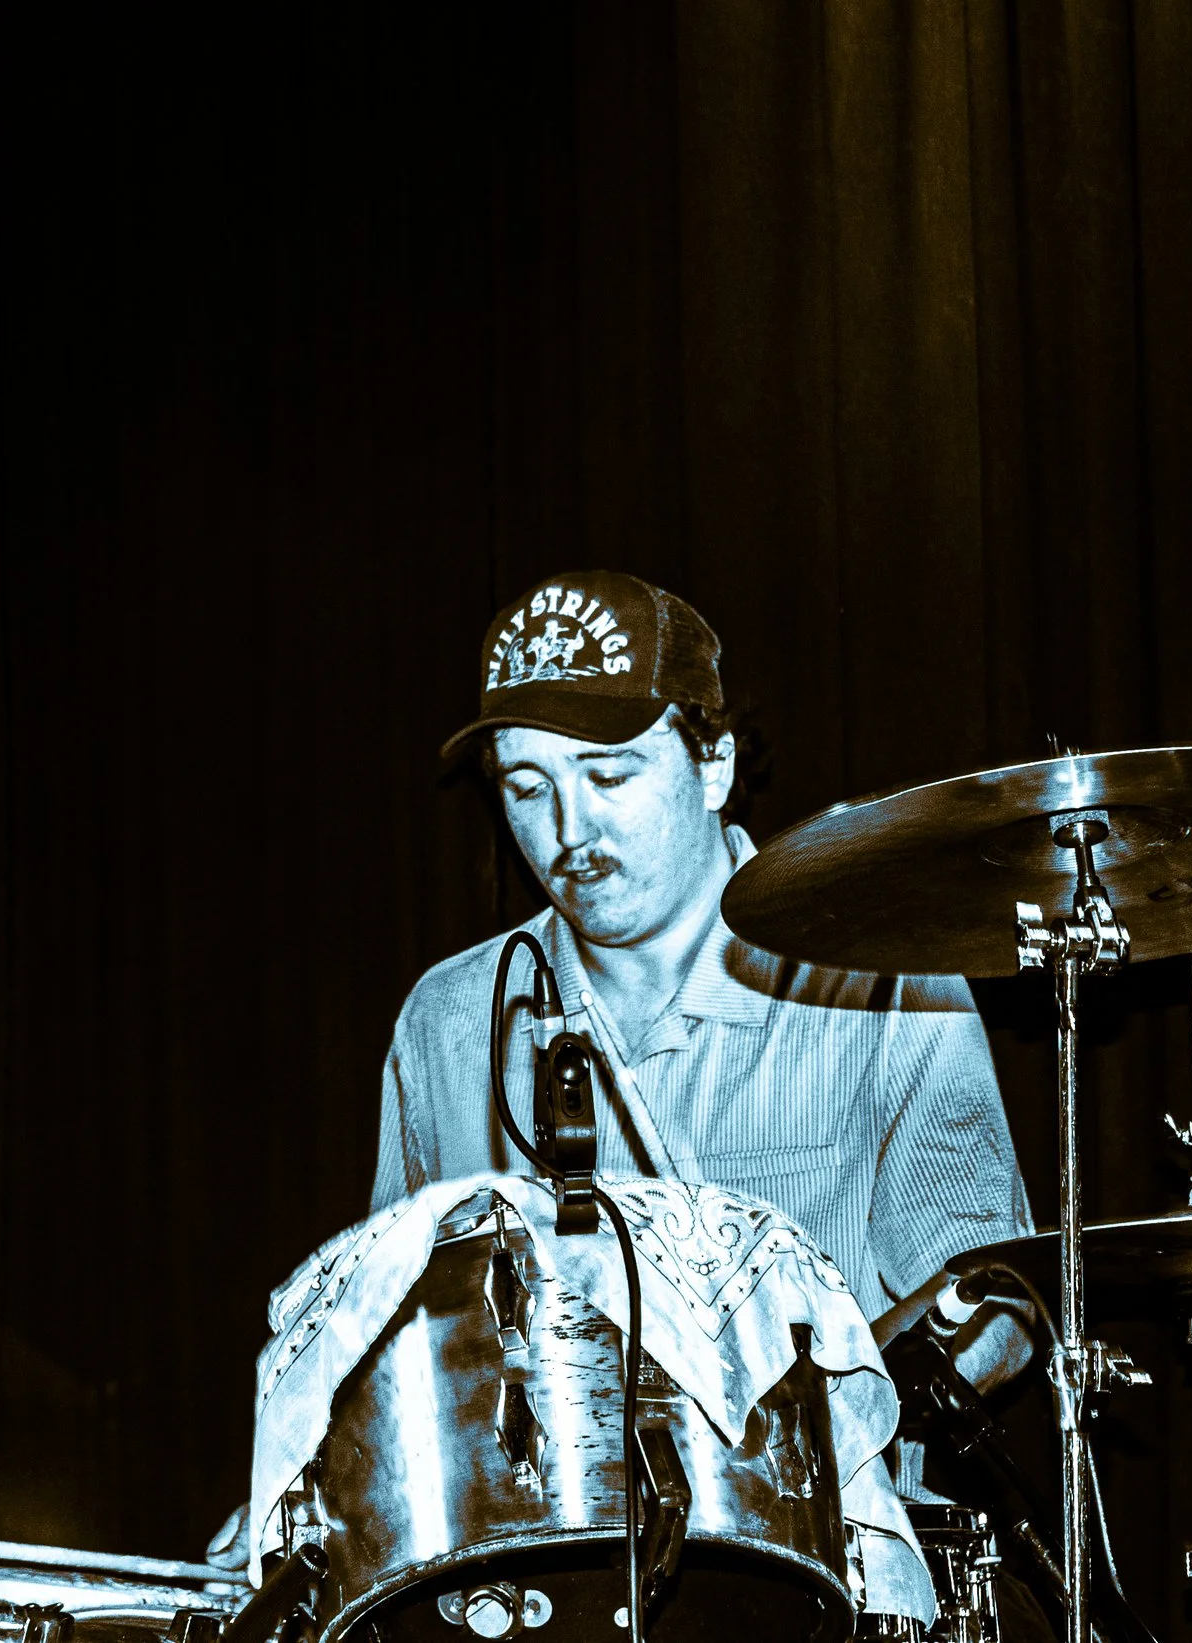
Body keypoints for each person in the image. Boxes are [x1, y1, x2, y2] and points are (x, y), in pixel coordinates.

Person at [375, 570, 1034, 1380]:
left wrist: (825, 1429)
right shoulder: (449, 1019)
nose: (569, 828)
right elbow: (392, 1343)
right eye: (528, 787)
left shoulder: (880, 982)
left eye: (609, 775)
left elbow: (996, 1310)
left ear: (714, 763)